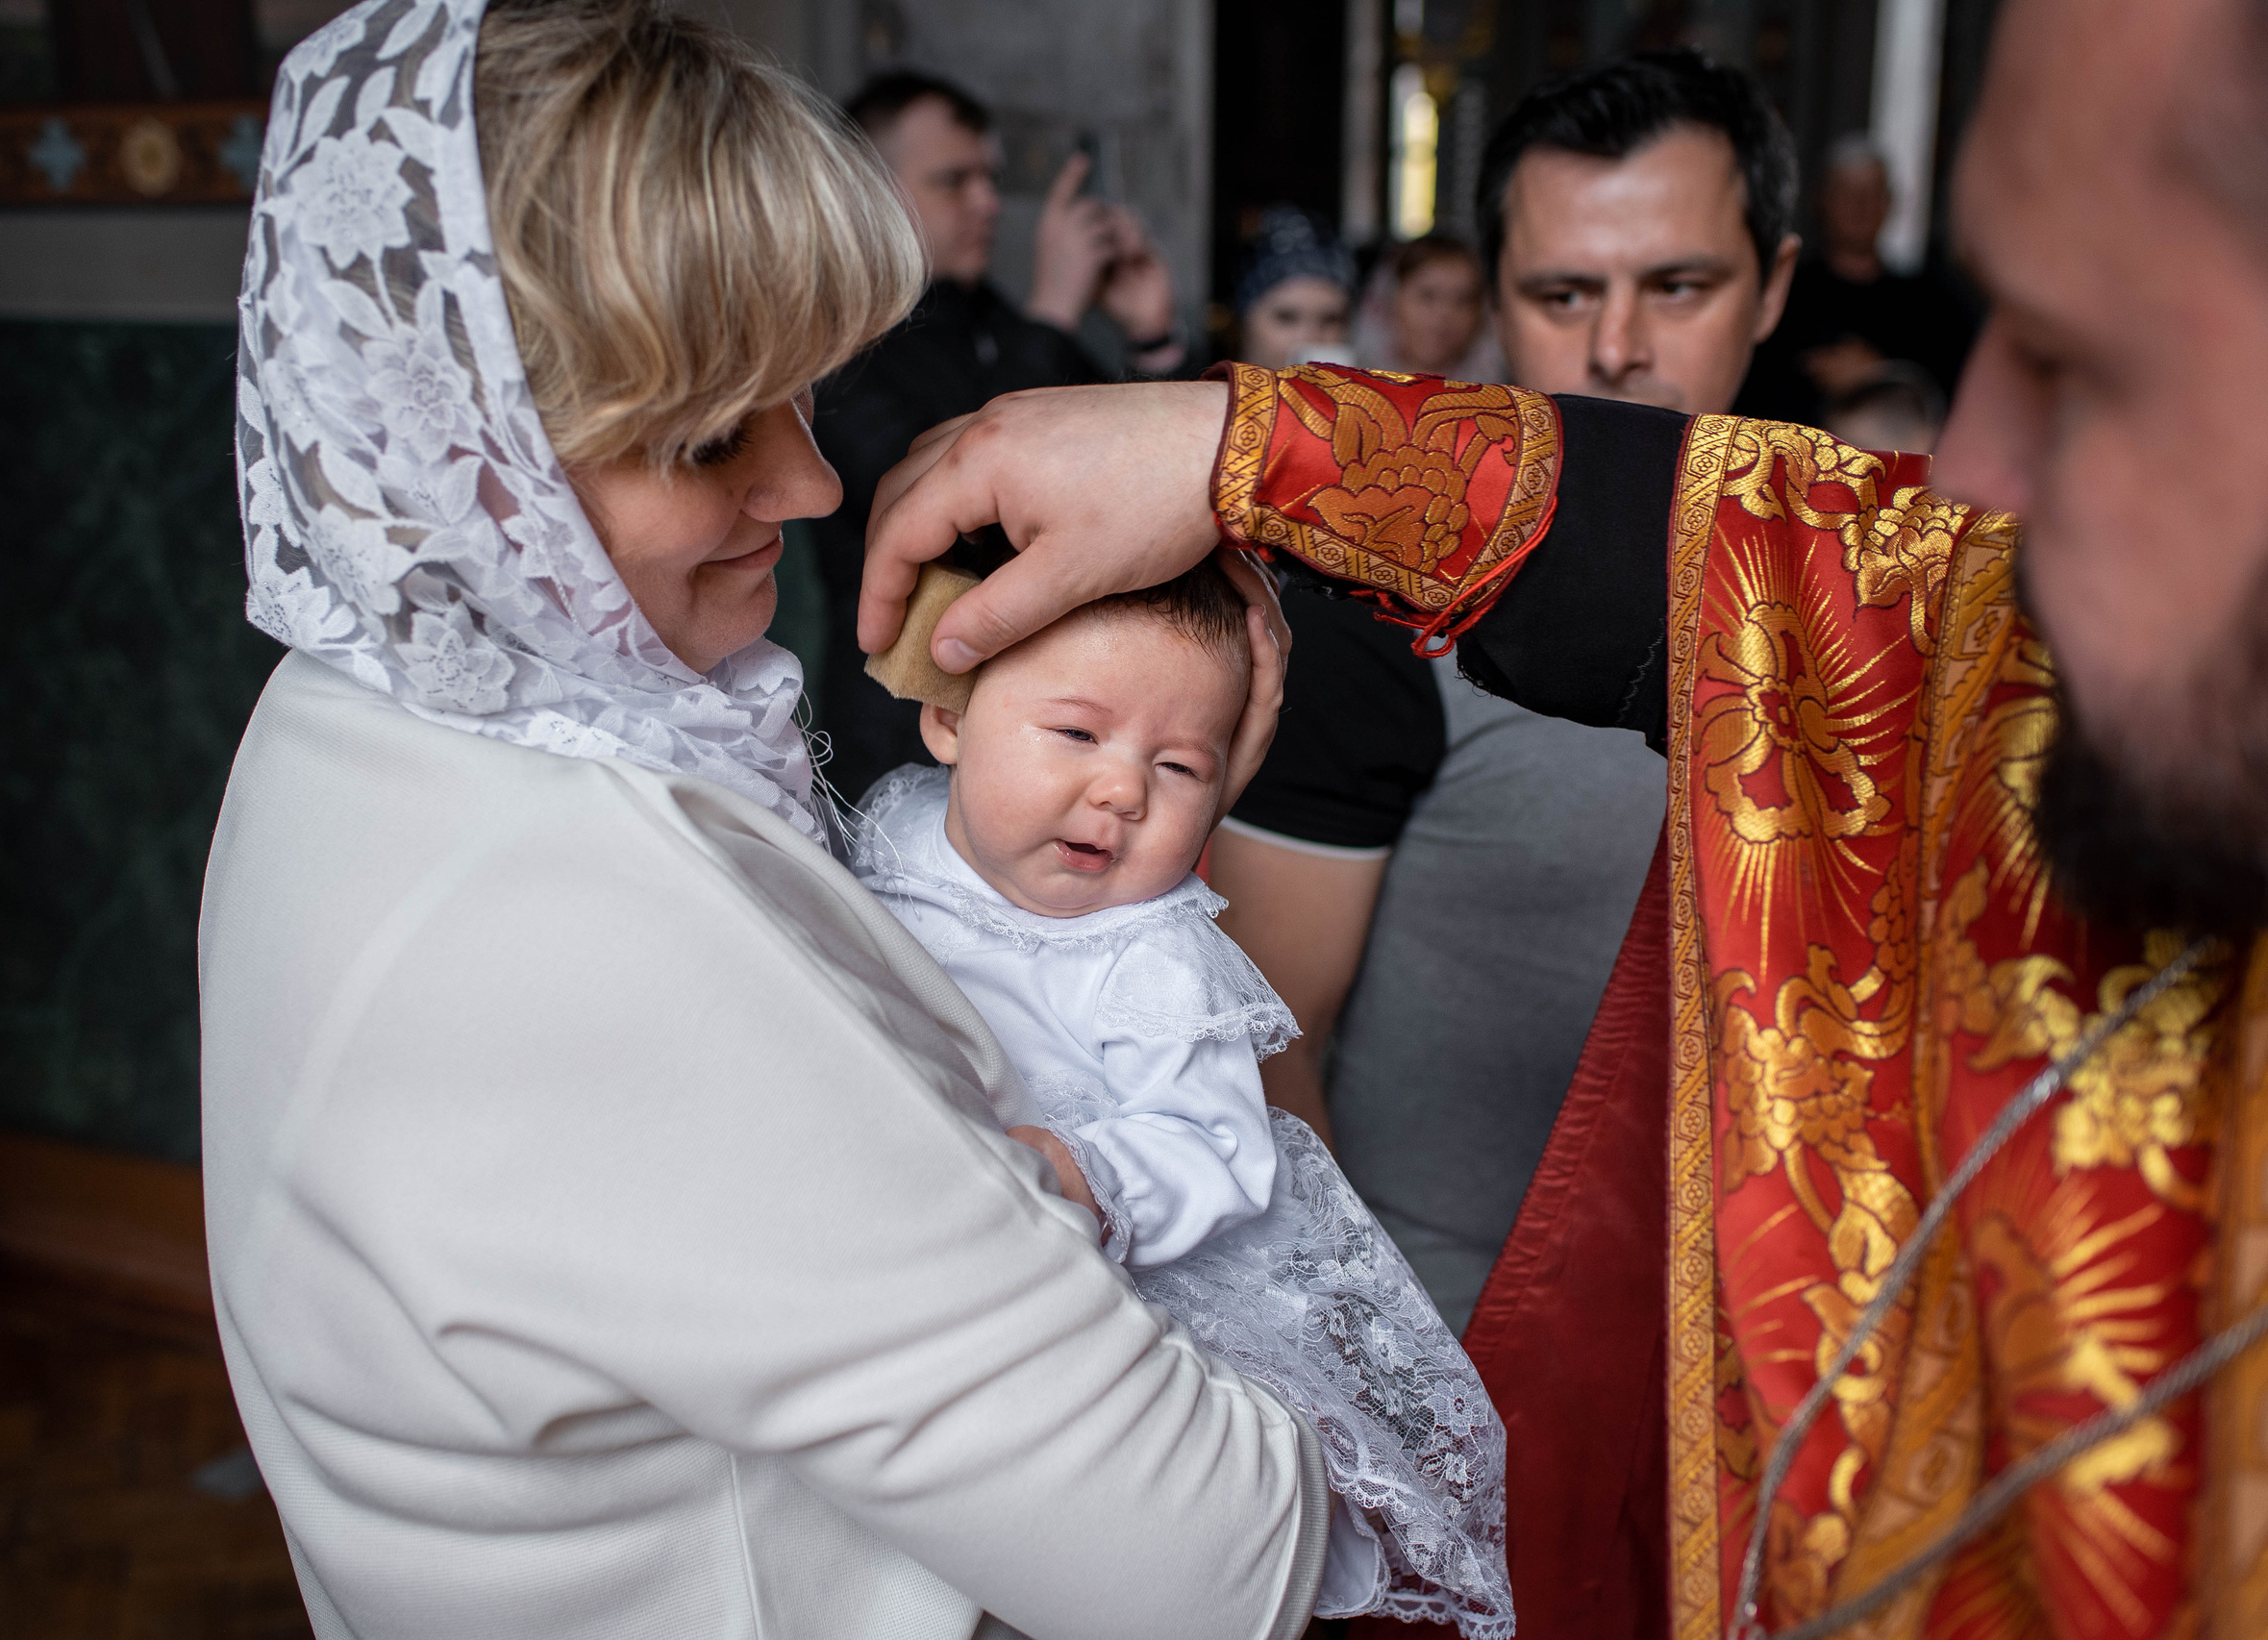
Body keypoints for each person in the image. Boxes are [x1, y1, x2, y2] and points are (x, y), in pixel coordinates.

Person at [852, 0, 2268, 1629]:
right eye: (1559, 291)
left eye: (2080, 361)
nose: (1974, 487)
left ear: (1776, 282)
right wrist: (1265, 451)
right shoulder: (1358, 650)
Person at [200, 5, 1335, 1638]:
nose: (808, 487)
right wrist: (1167, 886)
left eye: (804, 395)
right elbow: (1215, 1559)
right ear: (465, 449)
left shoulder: (351, 699)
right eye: (701, 434)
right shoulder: (578, 912)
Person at [1212, 50, 1796, 1329]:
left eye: (1679, 285)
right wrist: (1388, 1397)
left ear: (1775, 286)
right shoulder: (1379, 613)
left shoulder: (1861, 598)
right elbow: (1260, 1033)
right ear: (1495, 301)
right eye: (1563, 290)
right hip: (1471, 1370)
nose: (1620, 345)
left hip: (1772, 1375)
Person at [848, 563, 1513, 1630]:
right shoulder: (898, 829)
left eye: (1177, 765)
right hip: (916, 1243)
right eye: (1075, 735)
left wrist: (1092, 1173)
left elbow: (1221, 1147)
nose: (1122, 790)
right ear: (947, 720)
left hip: (1110, 1293)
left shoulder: (1151, 955)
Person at [810, 72, 1183, 802]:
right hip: (899, 742)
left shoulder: (998, 322)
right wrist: (1052, 314)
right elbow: (953, 500)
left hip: (1050, 733)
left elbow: (1140, 486)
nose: (987, 203)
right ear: (866, 189)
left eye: (991, 178)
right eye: (956, 181)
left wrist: (1153, 337)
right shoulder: (834, 338)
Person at [1739, 135, 1978, 425]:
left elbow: (1961, 398)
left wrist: (1882, 375)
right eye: (1846, 192)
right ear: (1822, 200)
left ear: (1889, 203)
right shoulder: (1784, 296)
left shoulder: (1933, 305)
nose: (1860, 205)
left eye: (1872, 193)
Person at [1233, 206, 1358, 370]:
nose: (1309, 339)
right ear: (1244, 324)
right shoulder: (1205, 394)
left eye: (1330, 320)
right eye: (1286, 318)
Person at [1366, 235, 1502, 381]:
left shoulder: (1503, 397)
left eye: (1462, 300)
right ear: (1392, 298)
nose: (1444, 313)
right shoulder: (1352, 391)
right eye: (1428, 296)